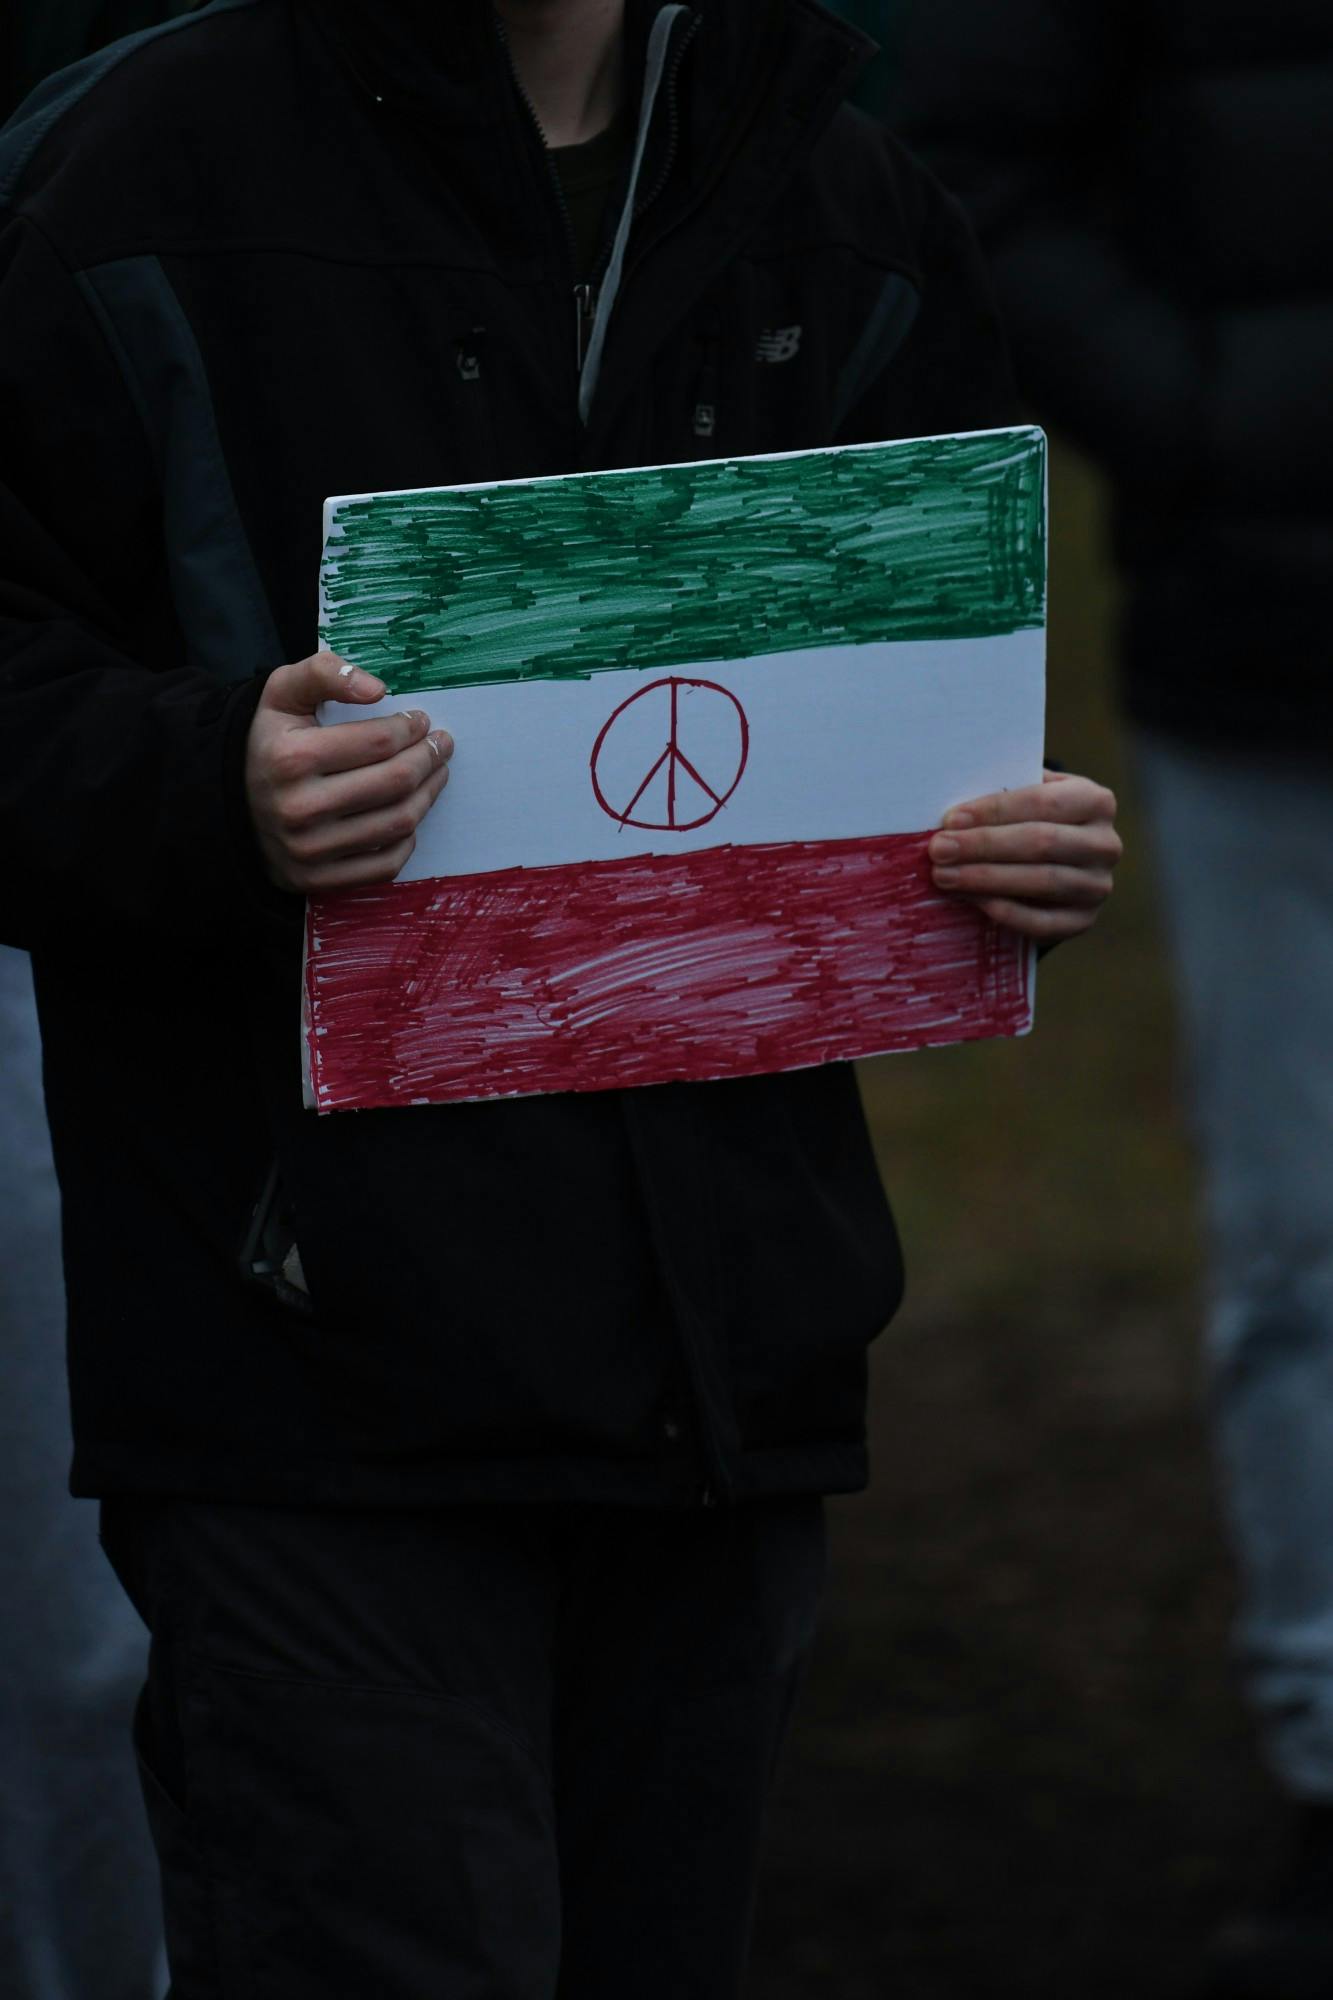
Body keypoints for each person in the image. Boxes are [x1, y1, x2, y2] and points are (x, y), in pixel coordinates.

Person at [0, 2, 1120, 1991]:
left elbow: (919, 718)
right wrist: (205, 781)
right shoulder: (133, 169)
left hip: (724, 1374)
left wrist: (1000, 856)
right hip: (308, 1368)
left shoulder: (842, 190)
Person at [892, 4, 1333, 1992]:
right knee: (1307, 1246)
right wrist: (1218, 405)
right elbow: (968, 153)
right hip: (1269, 659)